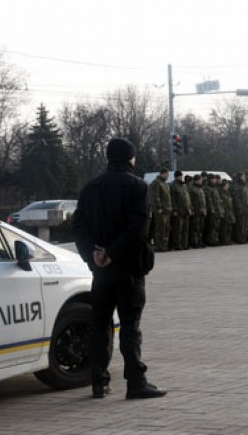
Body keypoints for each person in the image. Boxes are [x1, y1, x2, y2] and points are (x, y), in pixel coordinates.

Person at [72, 137, 166, 400]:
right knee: (129, 326)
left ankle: (98, 382)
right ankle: (136, 382)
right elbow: (138, 227)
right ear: (131, 159)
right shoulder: (138, 187)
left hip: (100, 270)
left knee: (100, 324)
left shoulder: (90, 187)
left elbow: (79, 225)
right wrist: (112, 253)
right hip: (128, 267)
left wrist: (94, 254)